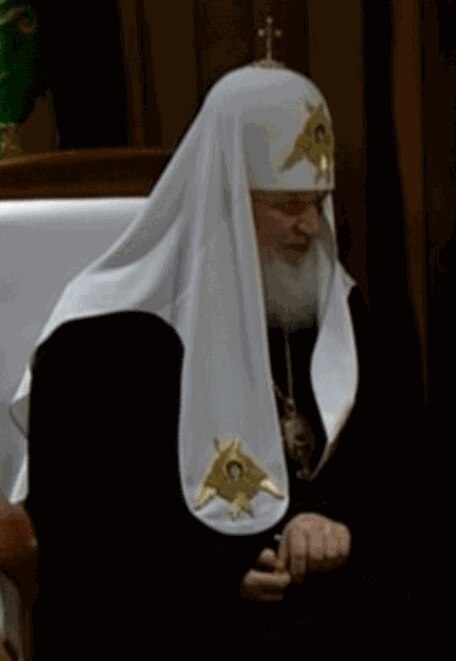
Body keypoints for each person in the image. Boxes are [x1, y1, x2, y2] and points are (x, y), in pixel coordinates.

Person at [8, 56, 433, 658]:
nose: (311, 228)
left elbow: (402, 483)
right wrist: (218, 569)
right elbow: (82, 531)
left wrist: (335, 527)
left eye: (319, 201)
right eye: (287, 205)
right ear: (226, 198)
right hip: (175, 614)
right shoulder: (101, 339)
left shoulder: (345, 316)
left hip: (325, 608)